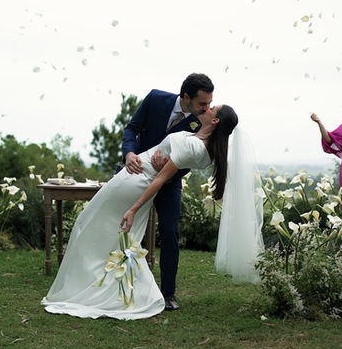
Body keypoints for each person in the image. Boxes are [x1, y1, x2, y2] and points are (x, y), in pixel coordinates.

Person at [43, 105, 260, 319]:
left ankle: (100, 287)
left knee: (86, 224)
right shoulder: (200, 141)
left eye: (212, 107)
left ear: (215, 121)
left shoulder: (196, 146)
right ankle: (109, 287)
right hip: (136, 172)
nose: (207, 107)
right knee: (116, 238)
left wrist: (134, 208)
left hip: (135, 179)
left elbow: (161, 178)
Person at [121, 73, 214, 311]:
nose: (207, 108)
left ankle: (169, 293)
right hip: (135, 172)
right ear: (186, 97)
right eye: (203, 103)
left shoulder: (199, 123)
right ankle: (122, 284)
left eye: (210, 103)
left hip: (170, 181)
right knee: (126, 229)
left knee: (170, 232)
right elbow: (132, 129)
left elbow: (190, 157)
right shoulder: (155, 99)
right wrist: (129, 154)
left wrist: (169, 168)